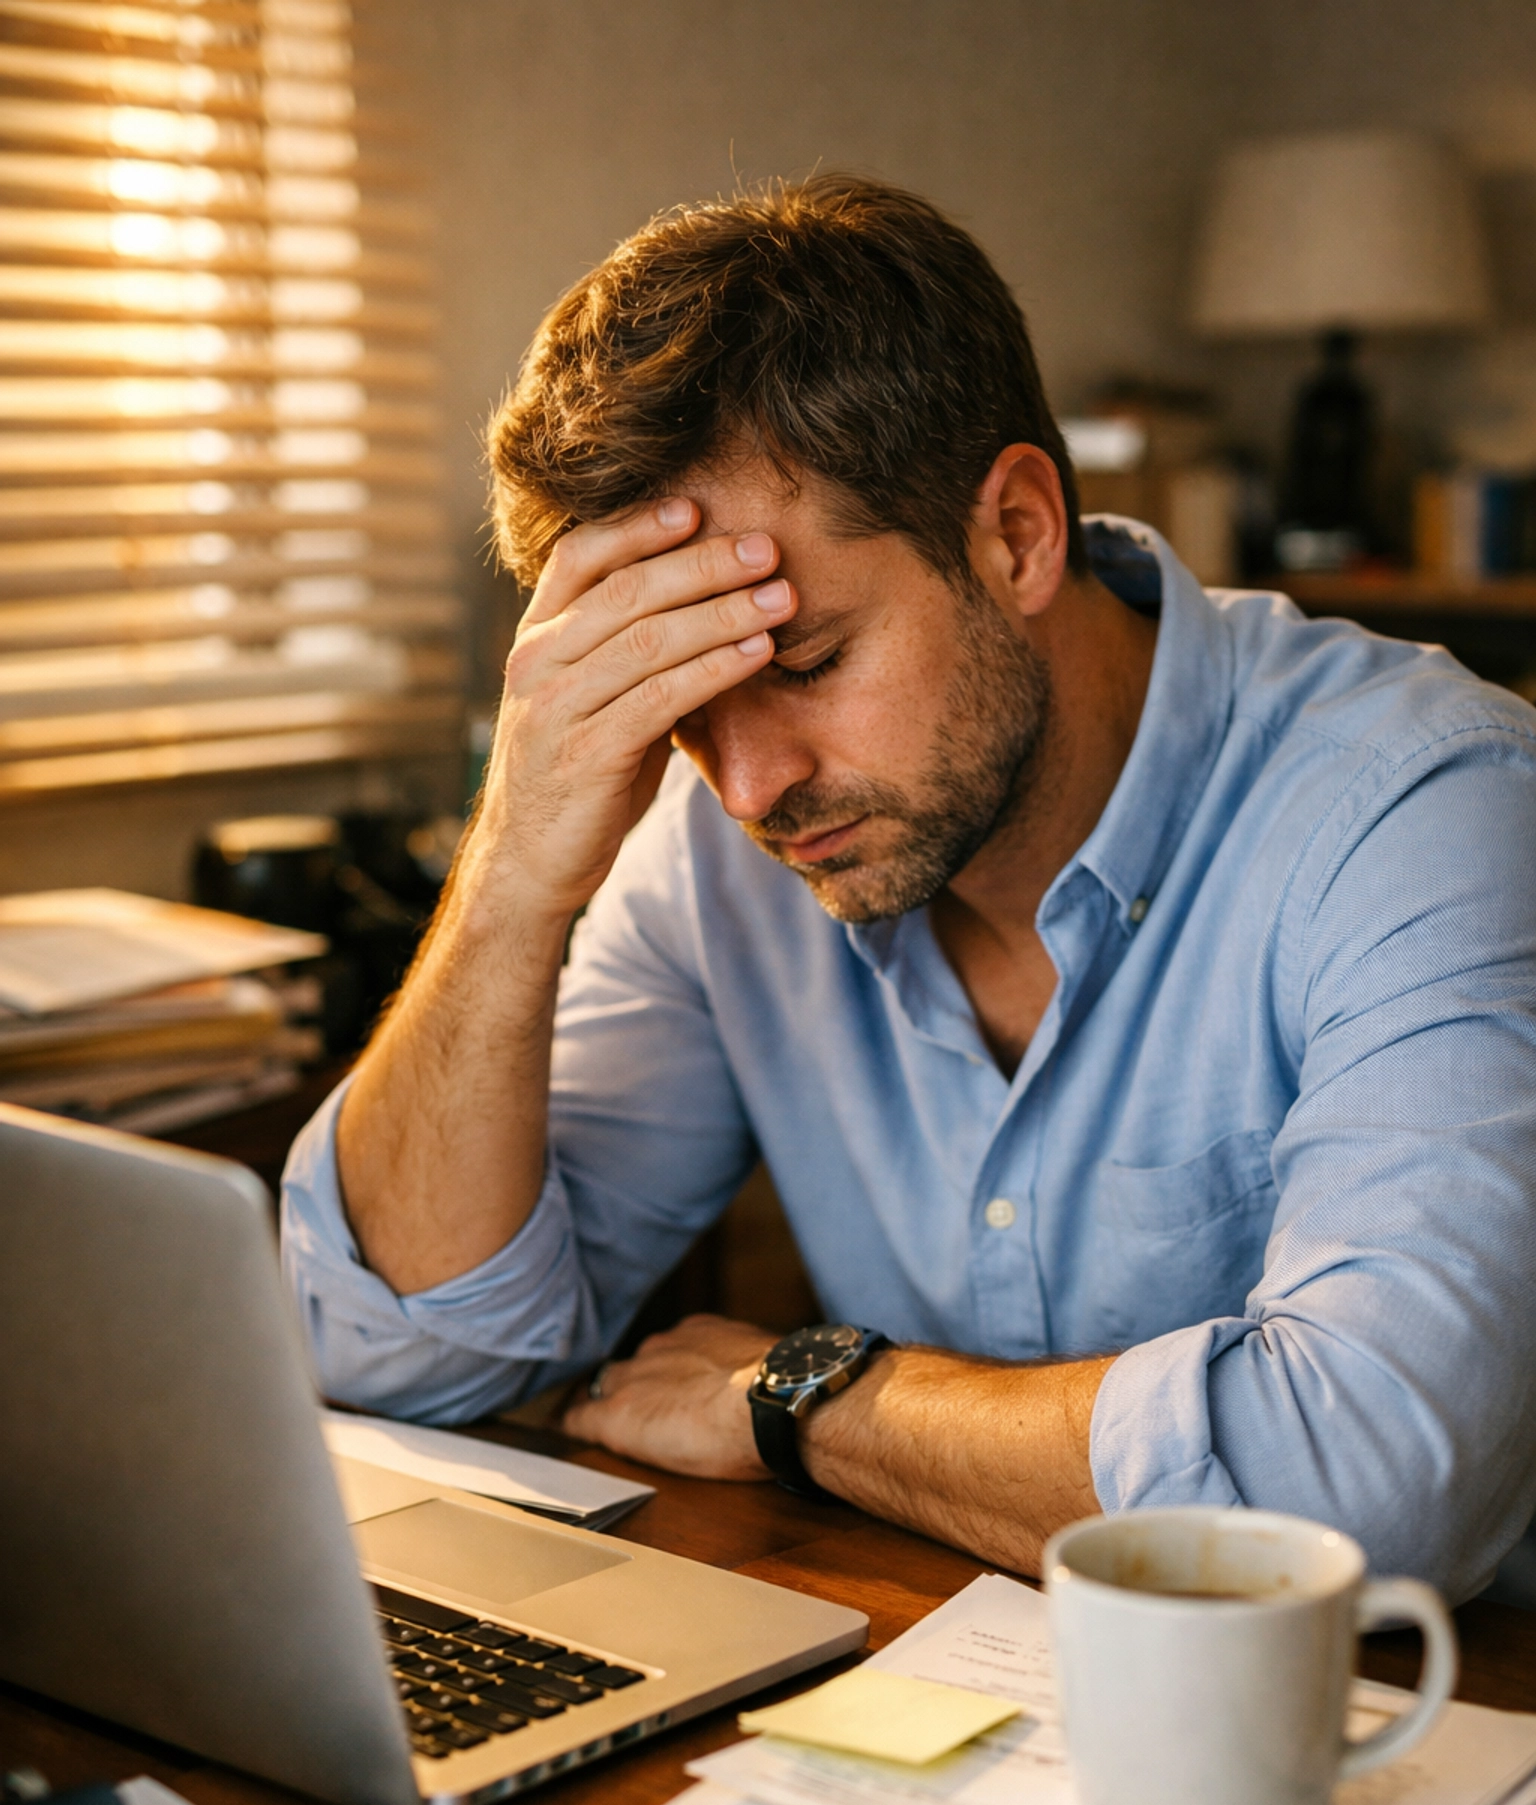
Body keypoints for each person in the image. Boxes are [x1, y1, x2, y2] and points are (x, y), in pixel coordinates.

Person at [281, 176, 1536, 1598]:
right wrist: (512, 870)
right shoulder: (718, 836)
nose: (748, 784)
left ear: (1015, 534)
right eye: (683, 702)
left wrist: (813, 1399)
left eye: (805, 663)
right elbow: (400, 1354)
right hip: (959, 1714)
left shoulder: (1433, 812)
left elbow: (1366, 1493)